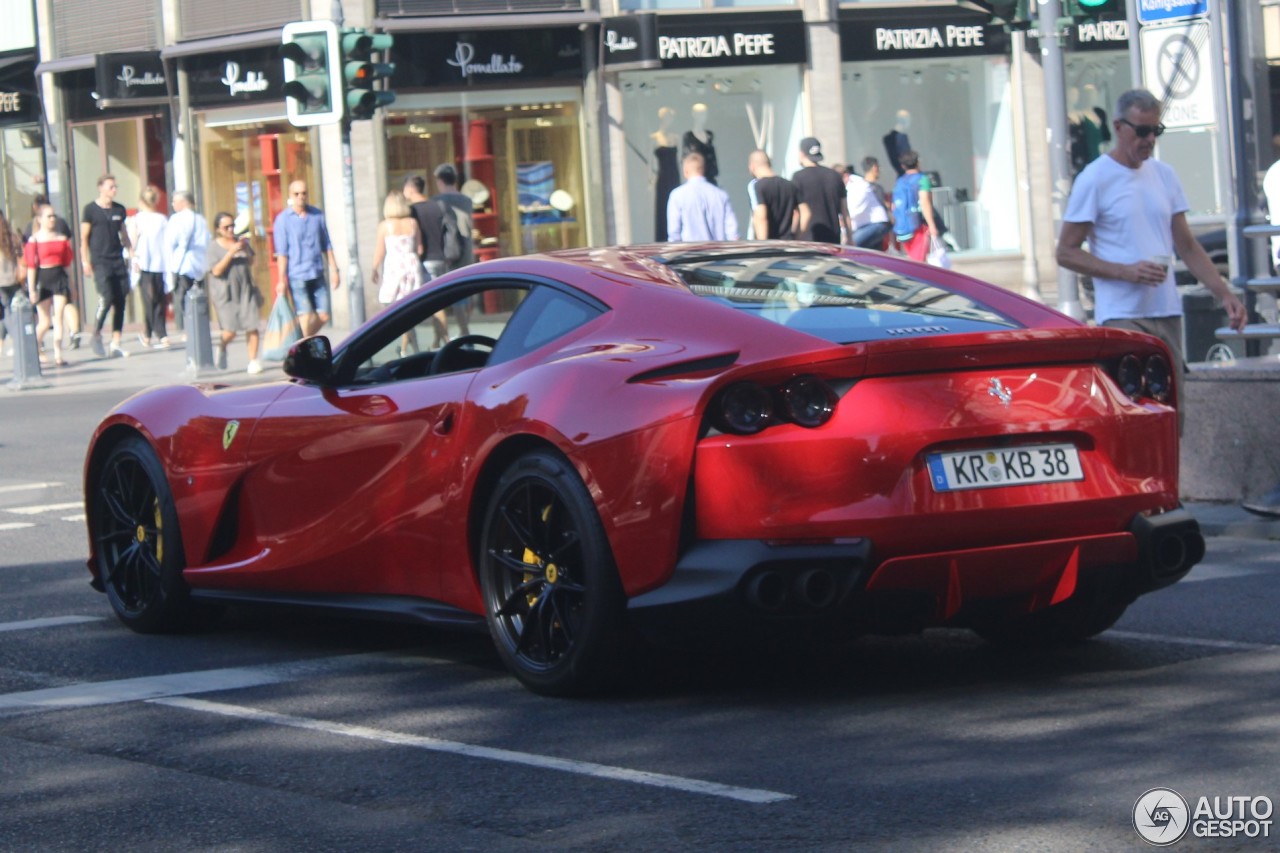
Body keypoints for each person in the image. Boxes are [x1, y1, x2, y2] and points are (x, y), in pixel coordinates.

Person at [1057, 88, 1247, 435]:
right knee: (1134, 411)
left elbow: (1187, 245)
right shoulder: (1095, 179)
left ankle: (1172, 487)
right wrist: (1124, 271)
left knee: (1172, 413)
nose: (1149, 140)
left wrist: (1225, 293)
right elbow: (1066, 251)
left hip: (1167, 311)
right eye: (1142, 131)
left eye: (1155, 131)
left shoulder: (1164, 175)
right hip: (1122, 314)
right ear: (1118, 126)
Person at [272, 180, 340, 338]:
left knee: (324, 315)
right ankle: (302, 348)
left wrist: (335, 270)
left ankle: (299, 341)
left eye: (303, 193)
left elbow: (327, 245)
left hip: (316, 271)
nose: (300, 197)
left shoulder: (317, 215)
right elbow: (282, 253)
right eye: (296, 194)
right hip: (297, 274)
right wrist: (281, 280)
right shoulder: (283, 220)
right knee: (305, 315)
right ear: (290, 196)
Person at [80, 174, 131, 358]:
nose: (114, 190)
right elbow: (84, 238)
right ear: (100, 187)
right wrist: (85, 261)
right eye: (110, 187)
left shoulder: (119, 209)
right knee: (107, 296)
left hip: (117, 259)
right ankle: (96, 333)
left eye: (115, 187)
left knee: (121, 299)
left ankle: (116, 342)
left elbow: (123, 234)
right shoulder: (90, 210)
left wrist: (132, 252)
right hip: (100, 260)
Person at [206, 212, 264, 375]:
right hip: (226, 293)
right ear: (218, 229)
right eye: (226, 227)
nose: (231, 229)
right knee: (230, 330)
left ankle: (253, 360)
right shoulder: (213, 247)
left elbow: (252, 262)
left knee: (252, 326)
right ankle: (222, 347)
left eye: (232, 226)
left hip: (246, 290)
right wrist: (231, 252)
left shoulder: (240, 241)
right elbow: (216, 271)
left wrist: (245, 249)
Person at [25, 204, 75, 367]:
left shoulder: (61, 239)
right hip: (43, 278)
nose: (52, 219)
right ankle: (33, 347)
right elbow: (31, 267)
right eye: (48, 216)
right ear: (39, 219)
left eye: (54, 216)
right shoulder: (34, 240)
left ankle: (58, 354)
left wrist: (72, 285)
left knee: (59, 315)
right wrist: (32, 289)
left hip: (59, 277)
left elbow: (68, 265)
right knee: (45, 321)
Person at [164, 189, 209, 339]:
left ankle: (188, 329)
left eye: (174, 201)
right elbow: (207, 241)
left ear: (183, 202)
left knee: (183, 297)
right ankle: (199, 326)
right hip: (199, 265)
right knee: (198, 296)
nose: (172, 204)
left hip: (182, 264)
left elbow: (169, 242)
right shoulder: (201, 220)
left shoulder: (176, 219)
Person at [129, 185, 169, 348]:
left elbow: (131, 243)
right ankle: (152, 333)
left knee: (148, 299)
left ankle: (157, 333)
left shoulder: (136, 219)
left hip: (143, 262)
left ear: (140, 201)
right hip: (160, 262)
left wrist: (133, 260)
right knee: (158, 299)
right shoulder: (162, 219)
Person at [666, 151, 739, 242]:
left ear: (685, 171)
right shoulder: (721, 195)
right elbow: (732, 231)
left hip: (689, 253)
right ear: (703, 170)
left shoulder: (677, 195)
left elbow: (674, 232)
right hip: (718, 253)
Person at [790, 137, 848, 244]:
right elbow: (844, 210)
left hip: (808, 239)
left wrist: (795, 236)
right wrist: (850, 237)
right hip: (833, 238)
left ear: (802, 154)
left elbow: (797, 212)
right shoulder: (834, 175)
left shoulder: (798, 177)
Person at [372, 191, 424, 307]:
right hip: (411, 262)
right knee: (411, 302)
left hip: (394, 263)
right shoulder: (412, 223)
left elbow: (380, 251)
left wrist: (374, 268)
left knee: (390, 302)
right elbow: (419, 249)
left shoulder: (384, 226)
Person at [891, 150, 939, 262]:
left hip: (902, 227)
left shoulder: (900, 181)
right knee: (919, 262)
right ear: (918, 162)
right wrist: (932, 225)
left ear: (903, 166)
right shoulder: (922, 179)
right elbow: (925, 202)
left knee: (910, 260)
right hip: (917, 226)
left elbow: (894, 206)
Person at [746, 150, 799, 240]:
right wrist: (795, 235)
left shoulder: (757, 187)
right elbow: (797, 213)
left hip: (771, 245)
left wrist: (763, 245)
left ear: (752, 166)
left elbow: (760, 216)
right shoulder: (789, 185)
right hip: (788, 243)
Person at [403, 175, 446, 282]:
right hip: (441, 258)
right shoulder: (437, 206)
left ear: (410, 189)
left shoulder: (411, 211)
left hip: (424, 259)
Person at [432, 164, 474, 271]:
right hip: (467, 251)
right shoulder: (467, 201)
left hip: (447, 253)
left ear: (440, 181)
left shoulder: (436, 201)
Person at [847, 156, 893, 250]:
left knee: (851, 246)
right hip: (874, 224)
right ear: (874, 167)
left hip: (873, 224)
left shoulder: (860, 186)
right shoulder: (865, 187)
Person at [652, 106, 680, 240]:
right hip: (662, 178)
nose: (669, 121)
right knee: (663, 209)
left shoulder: (675, 138)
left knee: (676, 207)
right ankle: (662, 238)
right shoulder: (654, 138)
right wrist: (650, 180)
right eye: (667, 118)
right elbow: (650, 163)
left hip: (674, 177)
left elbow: (680, 160)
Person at [0, 209, 25, 355]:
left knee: (7, 312)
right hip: (14, 279)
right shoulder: (12, 236)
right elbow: (21, 256)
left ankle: (18, 341)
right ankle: (18, 340)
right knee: (13, 310)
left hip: (1, 282)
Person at [682, 103, 718, 186]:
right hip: (695, 180)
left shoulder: (710, 136)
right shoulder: (688, 137)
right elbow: (686, 159)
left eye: (704, 114)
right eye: (699, 114)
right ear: (694, 115)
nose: (702, 116)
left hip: (711, 180)